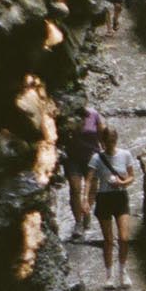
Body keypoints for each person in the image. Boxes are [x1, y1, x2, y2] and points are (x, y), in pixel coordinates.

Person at [87, 125, 137, 289]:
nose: (109, 144)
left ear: (116, 140)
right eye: (106, 141)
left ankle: (123, 272)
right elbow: (89, 180)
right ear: (102, 141)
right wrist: (85, 200)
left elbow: (132, 177)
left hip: (120, 197)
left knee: (124, 238)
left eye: (112, 141)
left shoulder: (125, 155)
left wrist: (122, 183)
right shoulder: (96, 158)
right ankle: (109, 276)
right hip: (104, 199)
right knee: (108, 240)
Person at [61, 102, 103, 241]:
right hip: (72, 158)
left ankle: (86, 211)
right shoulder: (66, 118)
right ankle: (78, 222)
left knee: (92, 189)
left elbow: (101, 134)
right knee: (75, 188)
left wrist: (106, 154)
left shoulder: (94, 114)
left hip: (91, 157)